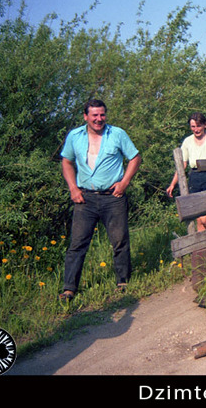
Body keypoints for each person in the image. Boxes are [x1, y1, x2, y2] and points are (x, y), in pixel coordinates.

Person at [59, 99, 141, 301]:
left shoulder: (117, 134)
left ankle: (123, 281)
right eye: (94, 115)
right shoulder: (75, 136)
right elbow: (66, 161)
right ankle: (69, 289)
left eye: (102, 115)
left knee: (119, 240)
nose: (99, 119)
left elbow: (135, 157)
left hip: (113, 197)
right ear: (86, 116)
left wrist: (124, 182)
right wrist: (73, 188)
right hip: (85, 198)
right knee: (77, 243)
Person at [166, 112, 206, 232]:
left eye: (198, 126)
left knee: (205, 219)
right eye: (193, 127)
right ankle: (203, 248)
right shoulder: (187, 141)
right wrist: (172, 184)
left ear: (205, 125)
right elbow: (183, 165)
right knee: (199, 219)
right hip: (195, 177)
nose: (196, 130)